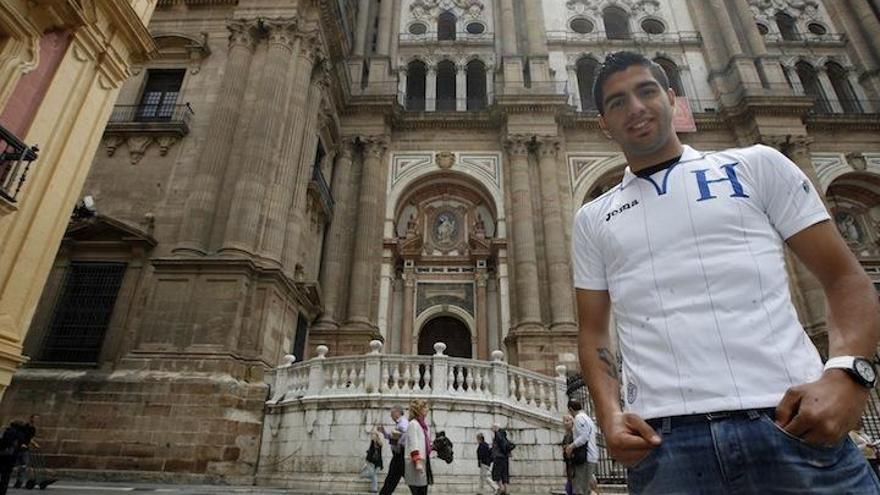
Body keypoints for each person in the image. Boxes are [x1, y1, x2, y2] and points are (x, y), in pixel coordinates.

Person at [572, 50, 880, 493]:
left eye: (646, 91)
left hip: (789, 422)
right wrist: (608, 414)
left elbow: (845, 278)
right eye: (617, 102)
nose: (635, 108)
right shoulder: (593, 217)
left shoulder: (757, 165)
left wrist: (847, 374)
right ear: (603, 123)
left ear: (673, 99)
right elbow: (594, 332)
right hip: (666, 444)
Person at [564, 401, 599, 495]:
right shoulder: (587, 418)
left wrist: (571, 446)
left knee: (580, 490)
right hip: (590, 456)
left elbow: (584, 436)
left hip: (585, 457)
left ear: (570, 409)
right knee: (586, 488)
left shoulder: (579, 418)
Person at [378, 405, 408, 495]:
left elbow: (402, 434)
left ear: (397, 413)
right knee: (391, 480)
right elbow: (394, 438)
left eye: (392, 414)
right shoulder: (400, 422)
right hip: (398, 456)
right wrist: (384, 432)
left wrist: (394, 435)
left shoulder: (403, 422)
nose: (391, 416)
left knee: (391, 480)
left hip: (400, 456)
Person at [404, 399, 432, 495]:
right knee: (419, 491)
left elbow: (422, 444)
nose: (427, 409)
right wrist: (417, 462)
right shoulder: (413, 424)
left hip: (422, 461)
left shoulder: (421, 425)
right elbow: (414, 444)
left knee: (422, 490)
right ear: (419, 409)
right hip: (416, 462)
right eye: (425, 407)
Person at [11, 415, 38, 489]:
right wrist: (21, 444)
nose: (36, 420)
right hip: (18, 449)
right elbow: (17, 437)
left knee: (24, 465)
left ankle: (19, 482)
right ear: (31, 418)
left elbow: (30, 439)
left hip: (25, 449)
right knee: (11, 464)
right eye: (35, 418)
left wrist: (34, 444)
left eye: (37, 419)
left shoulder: (33, 429)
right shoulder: (23, 427)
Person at [360, 427, 384, 493]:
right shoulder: (372, 442)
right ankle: (374, 489)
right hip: (373, 461)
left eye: (373, 435)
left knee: (373, 475)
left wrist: (377, 434)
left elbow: (380, 442)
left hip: (376, 462)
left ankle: (374, 489)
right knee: (372, 475)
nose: (372, 436)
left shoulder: (379, 443)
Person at [490, 424, 511, 494]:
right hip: (505, 457)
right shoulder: (504, 434)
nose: (491, 429)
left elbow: (499, 445)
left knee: (495, 474)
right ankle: (507, 491)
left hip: (499, 457)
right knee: (504, 474)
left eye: (492, 428)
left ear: (496, 428)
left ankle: (501, 488)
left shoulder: (498, 434)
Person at [561, 414, 575, 495]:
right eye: (564, 421)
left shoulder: (574, 434)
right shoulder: (566, 435)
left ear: (572, 422)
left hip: (575, 465)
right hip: (568, 465)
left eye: (567, 421)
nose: (565, 423)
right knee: (569, 488)